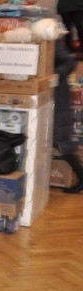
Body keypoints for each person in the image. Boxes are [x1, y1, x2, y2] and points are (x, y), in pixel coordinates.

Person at [52, 35, 83, 193]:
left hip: (58, 97)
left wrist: (54, 75)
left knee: (61, 140)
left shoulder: (51, 40)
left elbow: (70, 62)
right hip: (46, 96)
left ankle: (81, 176)